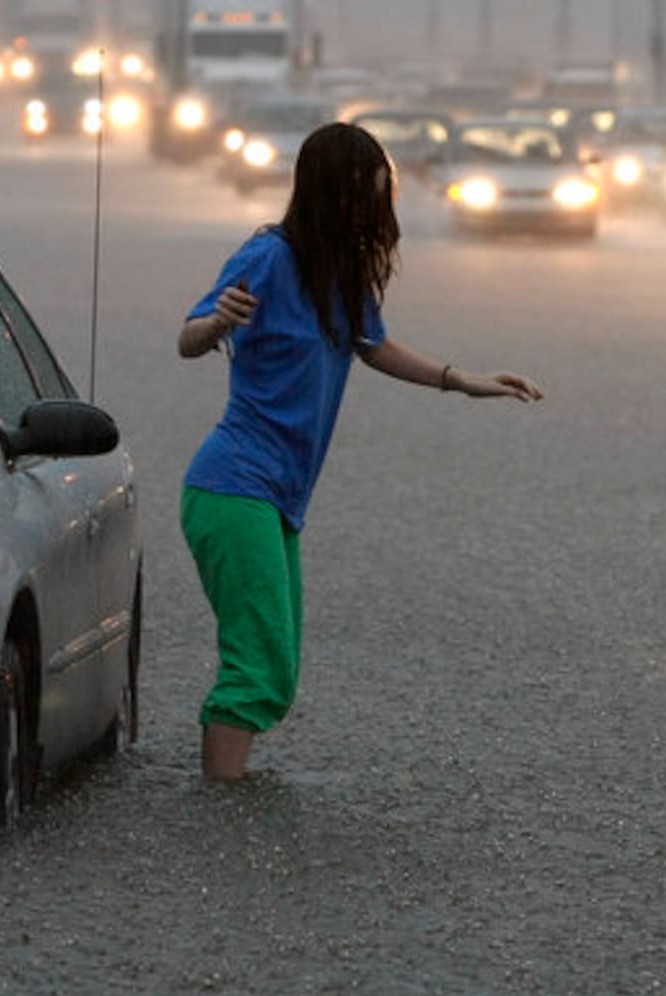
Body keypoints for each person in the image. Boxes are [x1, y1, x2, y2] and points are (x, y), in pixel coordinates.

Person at [178, 122, 543, 782]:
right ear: (330, 192)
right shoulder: (266, 257)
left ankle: (226, 796)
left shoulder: (338, 272)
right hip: (232, 488)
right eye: (366, 194)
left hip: (277, 495)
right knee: (256, 664)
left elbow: (372, 345)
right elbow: (188, 338)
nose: (376, 211)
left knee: (277, 667)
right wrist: (218, 321)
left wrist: (460, 380)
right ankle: (221, 809)